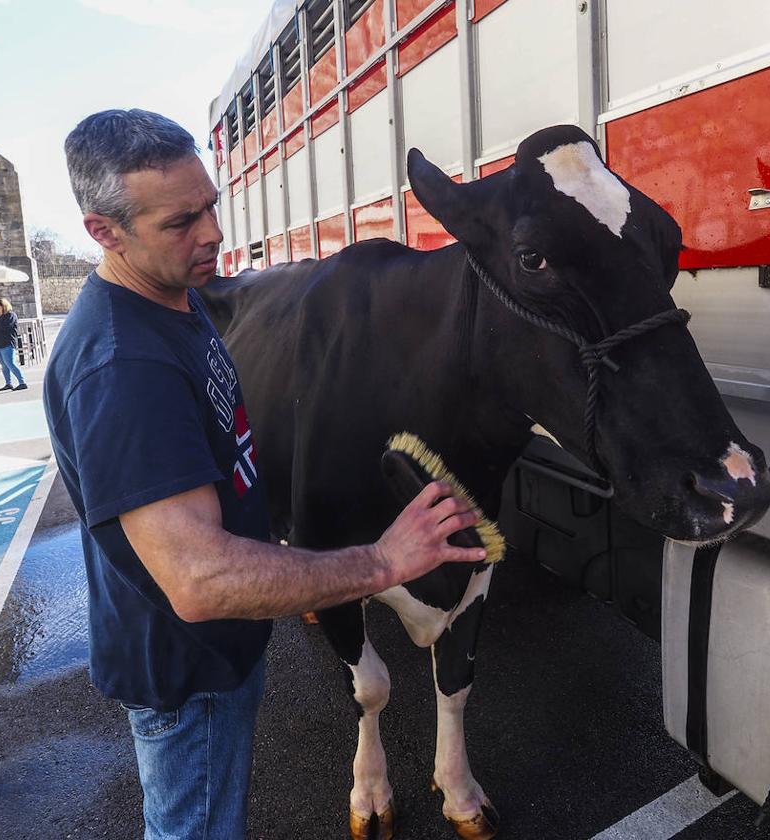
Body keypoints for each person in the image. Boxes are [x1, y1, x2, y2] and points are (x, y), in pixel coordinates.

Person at [45, 108, 486, 839]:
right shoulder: (124, 365)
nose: (212, 233)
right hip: (190, 678)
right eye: (180, 221)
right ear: (104, 231)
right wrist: (382, 560)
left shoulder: (174, 303)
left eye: (211, 205)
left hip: (223, 653)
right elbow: (200, 581)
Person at [0, 298, 26, 391]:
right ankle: (8, 383)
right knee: (4, 365)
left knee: (10, 363)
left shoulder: (10, 315)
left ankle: (22, 382)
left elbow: (4, 327)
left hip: (7, 343)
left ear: (3, 306)